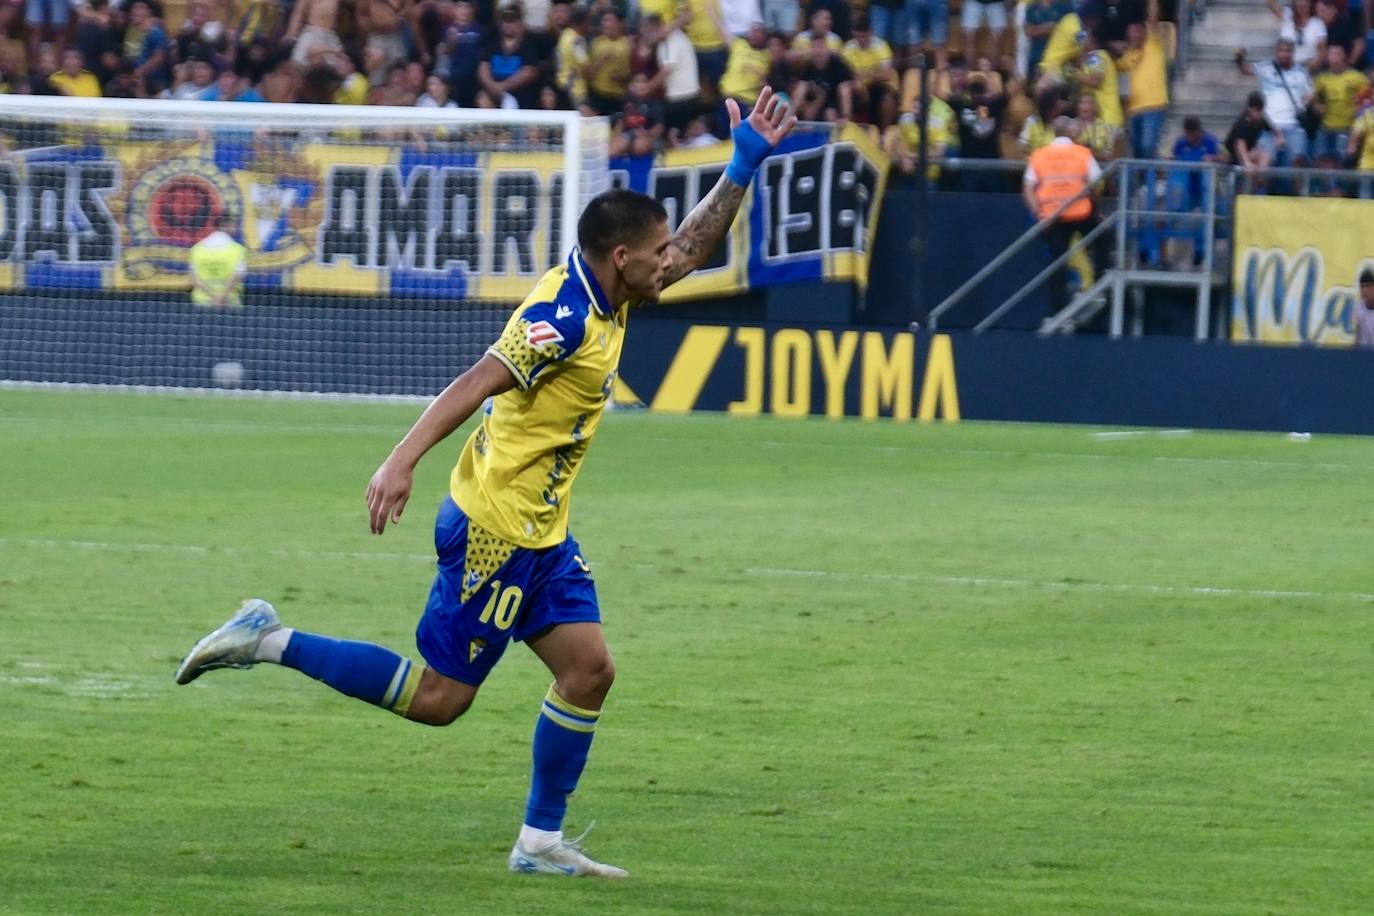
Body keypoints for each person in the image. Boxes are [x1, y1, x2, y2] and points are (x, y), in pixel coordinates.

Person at [174, 85, 799, 881]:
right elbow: (477, 379)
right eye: (656, 251)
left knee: (589, 671)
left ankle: (539, 842)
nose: (669, 259)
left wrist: (743, 164)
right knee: (440, 700)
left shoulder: (617, 289)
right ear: (620, 259)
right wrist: (400, 460)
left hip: (541, 532)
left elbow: (691, 250)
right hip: (493, 532)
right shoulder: (564, 316)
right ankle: (266, 638)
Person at [1023, 115, 1107, 316]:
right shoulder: (1083, 153)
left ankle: (1057, 309)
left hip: (1053, 217)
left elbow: (1027, 187)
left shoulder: (1039, 155)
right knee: (1103, 238)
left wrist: (1038, 213)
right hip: (1081, 213)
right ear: (1071, 132)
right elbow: (1095, 184)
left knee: (1057, 264)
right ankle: (1101, 282)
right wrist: (1096, 210)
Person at [1237, 38, 1315, 166]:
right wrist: (1239, 58)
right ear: (1276, 52)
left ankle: (1299, 187)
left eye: (1288, 51)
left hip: (1294, 126)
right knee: (1266, 162)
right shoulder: (1265, 68)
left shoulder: (1301, 72)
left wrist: (1307, 102)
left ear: (1293, 53)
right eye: (1281, 51)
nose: (1284, 54)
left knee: (1298, 162)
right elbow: (1245, 69)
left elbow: (1311, 94)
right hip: (1270, 126)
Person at [1116, 19, 1169, 158]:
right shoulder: (1127, 56)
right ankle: (1148, 178)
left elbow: (1153, 20)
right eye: (1131, 33)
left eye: (1137, 31)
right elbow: (1119, 70)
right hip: (1133, 110)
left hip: (1154, 106)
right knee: (1138, 149)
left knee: (1148, 146)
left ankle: (1153, 177)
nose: (1134, 35)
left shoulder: (1154, 45)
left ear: (1144, 31)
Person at [1313, 43, 1369, 158]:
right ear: (1327, 57)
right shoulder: (1322, 79)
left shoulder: (1357, 77)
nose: (1335, 57)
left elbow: (1368, 97)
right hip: (1325, 127)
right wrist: (1316, 105)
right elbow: (1310, 95)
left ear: (1344, 56)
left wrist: (1360, 107)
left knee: (1342, 161)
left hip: (1347, 127)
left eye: (1338, 53)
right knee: (1320, 160)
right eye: (1331, 53)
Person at [188, 214, 248, 309]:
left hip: (201, 301)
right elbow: (237, 276)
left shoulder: (196, 249)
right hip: (229, 301)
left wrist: (213, 296)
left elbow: (194, 279)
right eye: (233, 225)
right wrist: (222, 297)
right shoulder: (238, 250)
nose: (236, 228)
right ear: (225, 225)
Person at [1268, 0, 1326, 71]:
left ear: (1310, 3)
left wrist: (1307, 68)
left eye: (1305, 2)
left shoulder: (1318, 24)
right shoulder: (1287, 14)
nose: (1302, 3)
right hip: (1285, 65)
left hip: (1308, 67)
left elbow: (1322, 52)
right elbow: (1271, 4)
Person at [1355, 269, 1374, 347]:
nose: (1365, 290)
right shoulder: (1359, 308)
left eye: (1368, 286)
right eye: (1362, 287)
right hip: (1364, 353)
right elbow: (1357, 337)